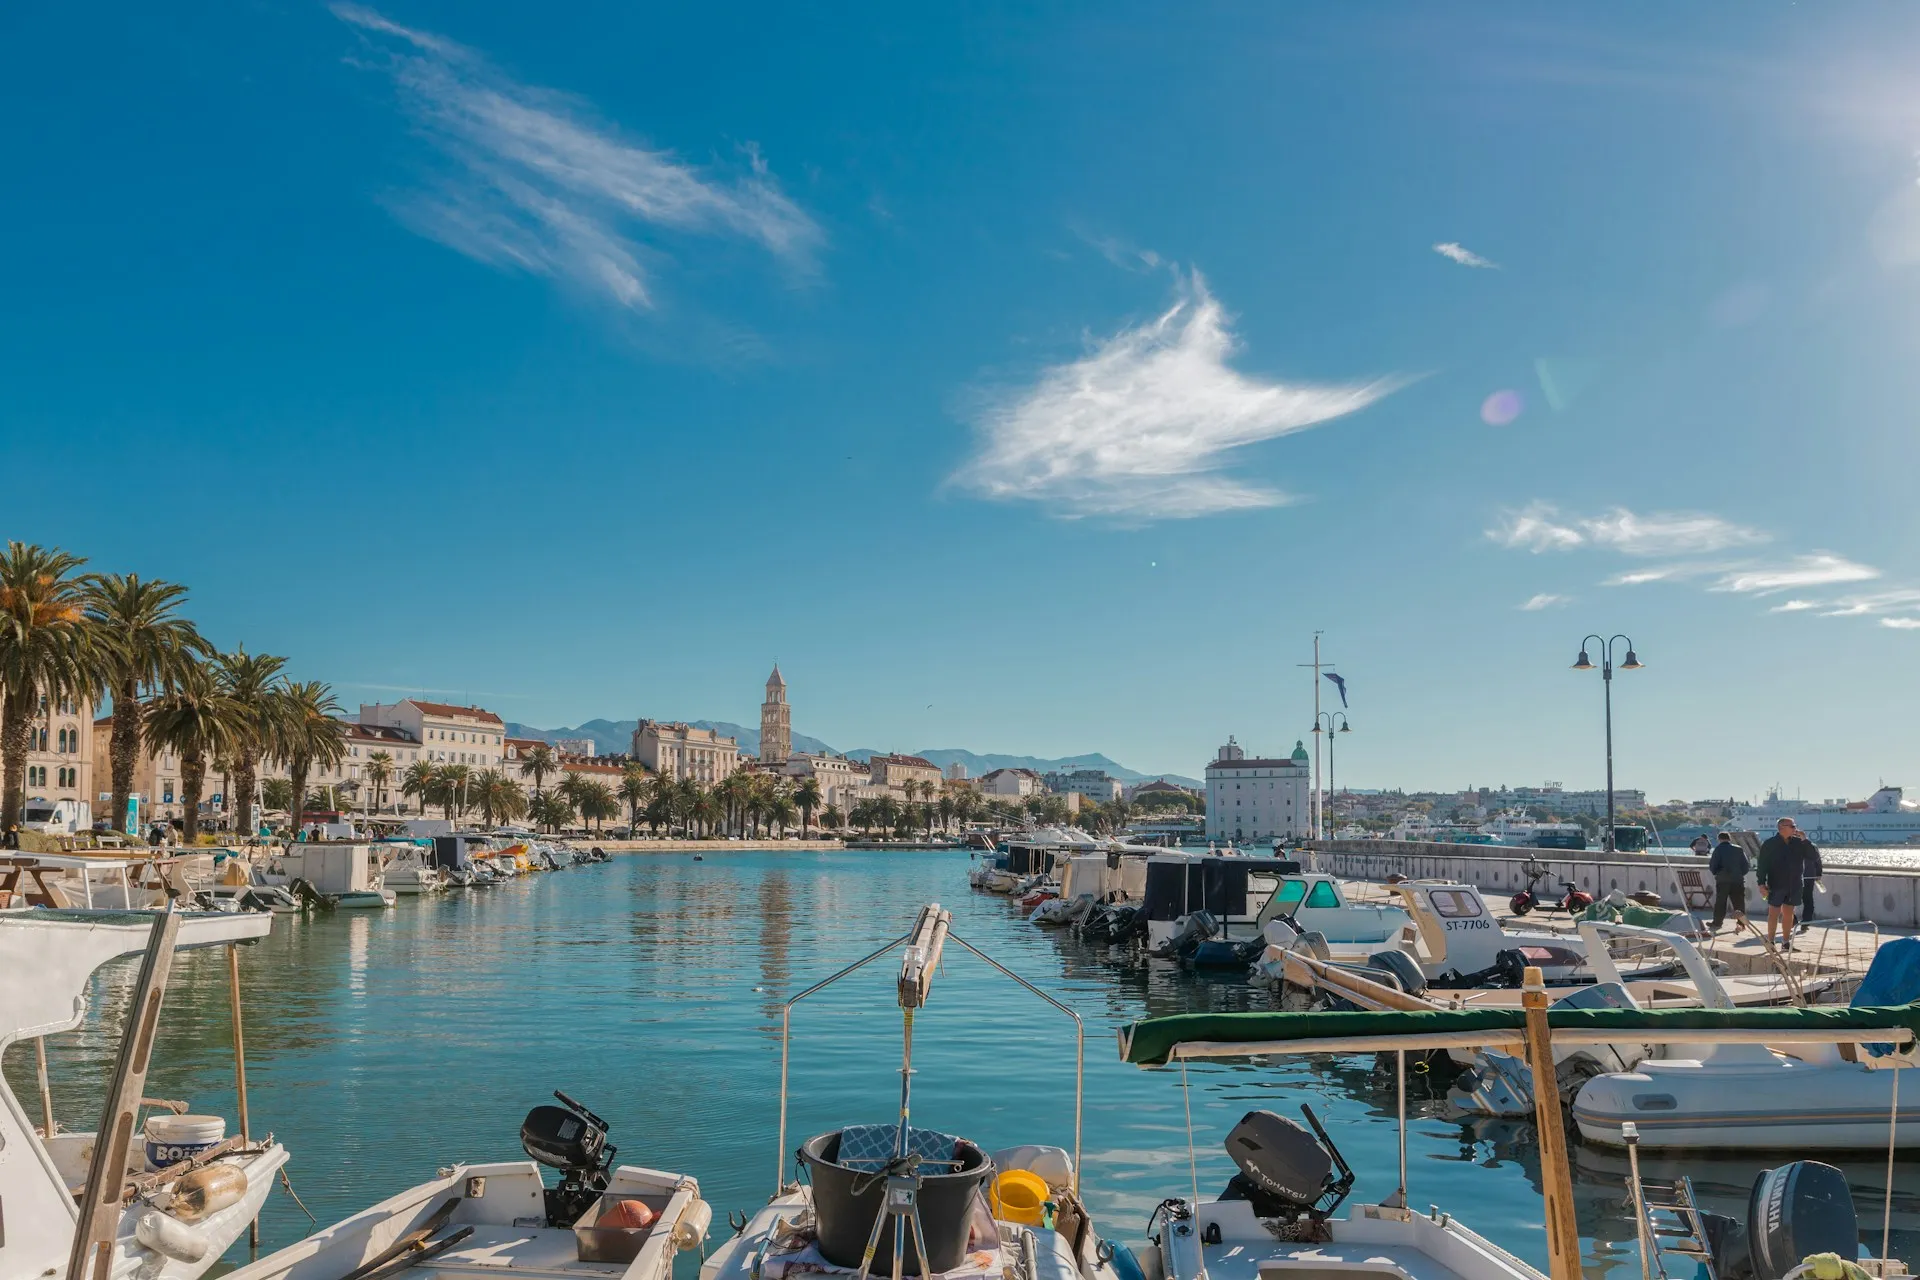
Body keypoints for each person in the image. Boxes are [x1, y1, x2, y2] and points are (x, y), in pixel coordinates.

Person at [1756, 817, 1810, 950]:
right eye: (1792, 826)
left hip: (1794, 884)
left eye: (1794, 826)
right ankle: (1771, 942)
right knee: (1773, 913)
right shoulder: (1769, 844)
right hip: (1776, 884)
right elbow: (1762, 864)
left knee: (1789, 914)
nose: (1795, 828)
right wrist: (1761, 883)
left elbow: (1812, 856)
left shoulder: (1799, 843)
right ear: (1781, 828)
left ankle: (1786, 943)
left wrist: (1805, 840)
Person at [1707, 830, 1749, 932]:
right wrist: (1739, 874)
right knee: (1739, 902)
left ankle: (1717, 922)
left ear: (1719, 839)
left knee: (1721, 902)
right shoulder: (1738, 849)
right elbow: (1745, 866)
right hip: (1737, 880)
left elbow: (1713, 866)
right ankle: (1741, 923)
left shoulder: (1718, 849)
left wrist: (1718, 873)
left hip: (1723, 880)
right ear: (1729, 839)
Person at [1798, 835, 1824, 934]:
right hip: (1800, 877)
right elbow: (1818, 861)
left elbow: (1817, 861)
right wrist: (1818, 873)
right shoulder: (1793, 845)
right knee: (1805, 900)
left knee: (1807, 899)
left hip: (1807, 877)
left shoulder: (1811, 846)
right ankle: (1800, 921)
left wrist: (1818, 873)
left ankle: (1805, 922)